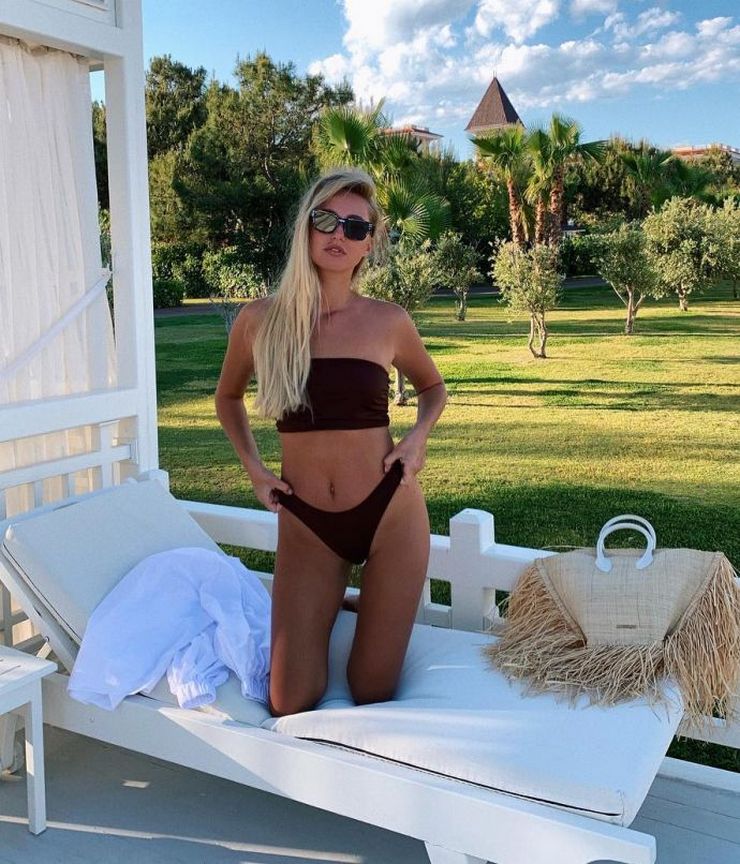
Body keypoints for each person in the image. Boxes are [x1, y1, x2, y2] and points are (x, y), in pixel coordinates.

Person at [215, 168, 447, 717]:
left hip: (389, 513)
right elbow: (228, 398)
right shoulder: (260, 320)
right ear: (307, 226)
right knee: (289, 698)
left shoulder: (388, 321)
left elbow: (433, 388)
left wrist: (417, 438)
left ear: (369, 244)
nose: (339, 234)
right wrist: (255, 470)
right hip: (307, 524)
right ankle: (337, 595)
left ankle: (365, 598)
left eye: (355, 227)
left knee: (371, 689)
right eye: (326, 220)